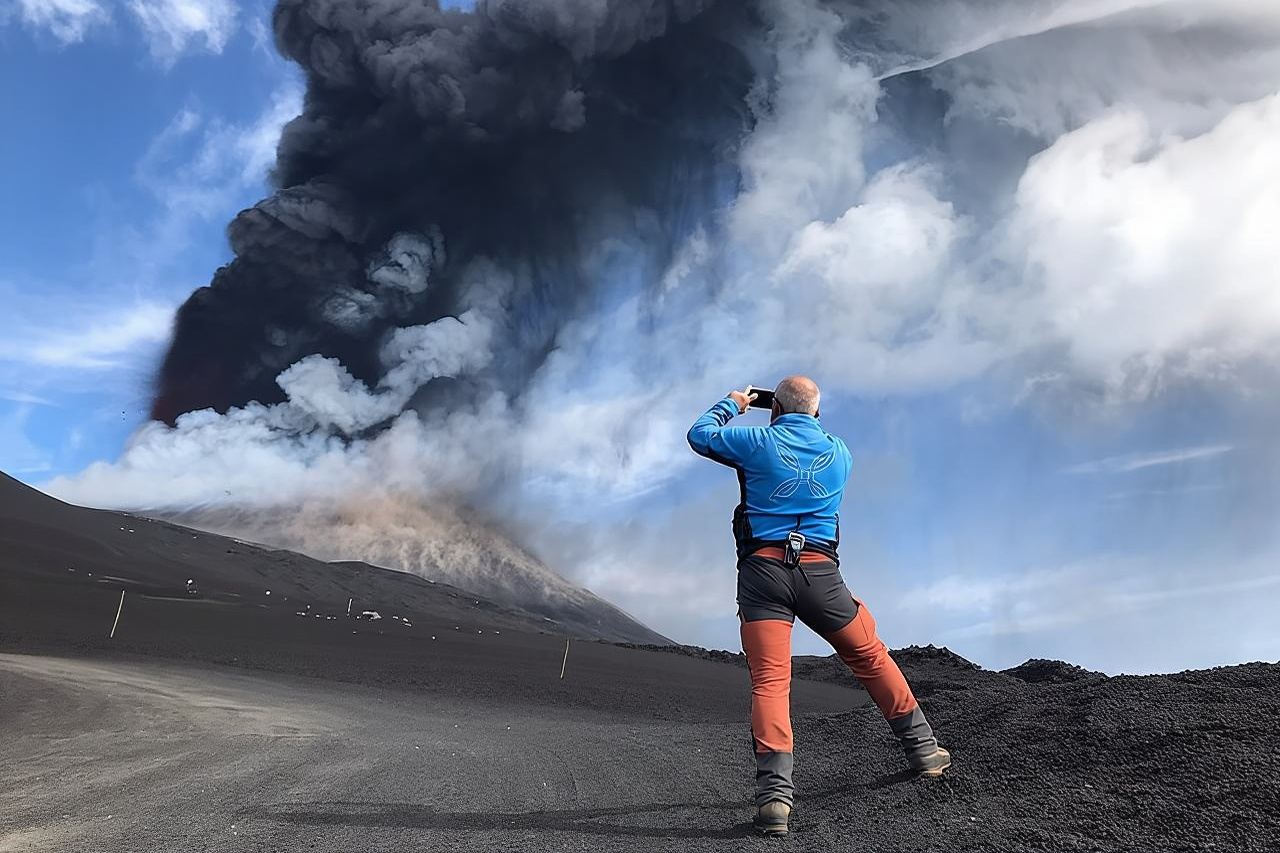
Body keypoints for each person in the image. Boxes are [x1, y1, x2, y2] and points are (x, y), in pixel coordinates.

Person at [687, 376, 950, 836]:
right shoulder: (841, 454)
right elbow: (811, 435)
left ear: (774, 410)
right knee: (869, 655)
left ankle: (774, 801)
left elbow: (700, 435)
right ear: (817, 413)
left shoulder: (758, 441)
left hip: (763, 574)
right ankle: (924, 751)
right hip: (821, 575)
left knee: (770, 681)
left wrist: (733, 403)